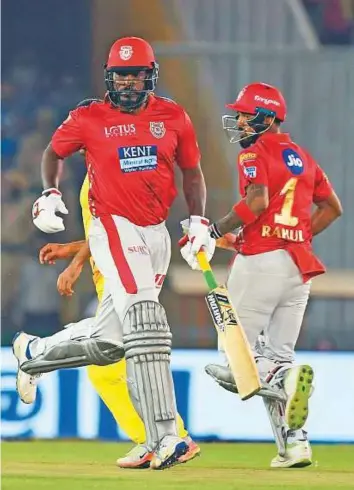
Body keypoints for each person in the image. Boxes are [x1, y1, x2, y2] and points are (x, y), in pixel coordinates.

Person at [13, 36, 208, 470]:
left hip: (154, 232)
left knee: (111, 344)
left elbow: (192, 172)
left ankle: (34, 354)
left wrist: (197, 219)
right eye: (120, 74)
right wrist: (48, 191)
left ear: (150, 76)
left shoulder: (173, 116)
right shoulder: (89, 116)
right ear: (109, 76)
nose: (127, 82)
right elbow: (53, 152)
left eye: (136, 74)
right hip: (113, 225)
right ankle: (165, 436)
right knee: (148, 322)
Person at [181, 82, 343, 468]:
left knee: (235, 354)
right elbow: (332, 208)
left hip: (262, 264)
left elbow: (258, 200)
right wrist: (291, 236)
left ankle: (284, 378)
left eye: (243, 114)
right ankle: (295, 445)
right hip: (298, 267)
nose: (237, 121)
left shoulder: (254, 153)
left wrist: (214, 231)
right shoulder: (303, 157)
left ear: (265, 118)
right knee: (277, 356)